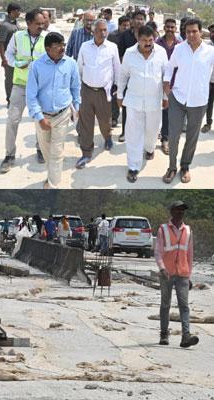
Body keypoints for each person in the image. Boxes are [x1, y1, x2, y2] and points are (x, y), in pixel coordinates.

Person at [162, 19, 214, 184]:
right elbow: (170, 67)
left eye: (194, 31)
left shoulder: (210, 52)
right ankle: (171, 167)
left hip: (199, 101)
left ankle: (185, 166)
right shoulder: (179, 49)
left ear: (201, 32)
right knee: (174, 135)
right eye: (188, 32)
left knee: (192, 137)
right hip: (178, 98)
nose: (191, 35)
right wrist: (166, 84)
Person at [26, 32, 81, 188]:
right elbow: (31, 95)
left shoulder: (71, 63)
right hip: (43, 116)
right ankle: (52, 176)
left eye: (63, 45)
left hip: (62, 114)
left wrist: (77, 108)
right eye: (58, 46)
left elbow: (76, 87)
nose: (62, 48)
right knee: (46, 151)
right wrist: (39, 118)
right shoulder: (36, 66)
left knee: (57, 153)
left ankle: (52, 185)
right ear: (48, 48)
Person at [118, 25, 168, 183]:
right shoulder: (129, 53)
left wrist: (166, 96)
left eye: (150, 40)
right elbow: (123, 75)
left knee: (152, 130)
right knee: (133, 133)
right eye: (144, 41)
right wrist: (120, 94)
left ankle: (150, 148)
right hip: (134, 100)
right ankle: (133, 166)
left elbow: (166, 76)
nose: (148, 44)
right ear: (138, 40)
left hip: (154, 100)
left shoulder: (161, 52)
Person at [0, 9, 47, 173]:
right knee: (12, 120)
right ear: (28, 23)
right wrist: (18, 64)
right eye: (38, 24)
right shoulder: (17, 37)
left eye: (43, 23)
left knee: (40, 121)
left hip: (40, 88)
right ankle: (9, 155)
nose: (41, 26)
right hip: (20, 85)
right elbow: (8, 56)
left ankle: (41, 150)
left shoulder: (46, 38)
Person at [75, 19, 120, 169]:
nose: (103, 33)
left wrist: (117, 88)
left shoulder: (112, 47)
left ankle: (107, 137)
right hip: (86, 90)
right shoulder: (85, 46)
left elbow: (117, 69)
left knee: (104, 121)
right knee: (86, 123)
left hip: (104, 92)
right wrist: (80, 87)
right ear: (93, 32)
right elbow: (79, 67)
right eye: (100, 30)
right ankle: (86, 153)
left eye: (105, 30)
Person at [155, 200, 198, 348]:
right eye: (178, 210)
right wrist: (161, 268)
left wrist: (189, 275)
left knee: (184, 306)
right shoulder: (163, 229)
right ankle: (164, 334)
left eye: (182, 210)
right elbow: (158, 252)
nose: (180, 212)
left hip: (183, 274)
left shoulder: (188, 230)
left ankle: (186, 336)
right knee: (165, 305)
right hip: (166, 273)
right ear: (172, 211)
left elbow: (189, 255)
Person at [117, 10, 147, 143]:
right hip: (129, 74)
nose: (139, 21)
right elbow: (121, 54)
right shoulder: (124, 35)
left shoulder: (149, 33)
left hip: (144, 75)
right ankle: (124, 131)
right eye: (137, 19)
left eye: (142, 19)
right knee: (127, 104)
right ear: (132, 21)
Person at [156, 18, 182, 154]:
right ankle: (154, 134)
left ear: (176, 28)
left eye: (173, 27)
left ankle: (165, 139)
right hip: (157, 81)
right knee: (155, 109)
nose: (170, 29)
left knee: (168, 111)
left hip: (174, 83)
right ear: (164, 28)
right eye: (168, 27)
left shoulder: (181, 45)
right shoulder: (157, 43)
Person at [108, 16, 131, 128]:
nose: (126, 27)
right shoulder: (112, 36)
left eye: (128, 25)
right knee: (115, 93)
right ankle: (114, 117)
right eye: (124, 26)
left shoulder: (131, 36)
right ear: (119, 25)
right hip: (115, 69)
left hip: (128, 70)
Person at [0, 3, 22, 105]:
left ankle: (15, 99)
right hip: (8, 57)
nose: (19, 13)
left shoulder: (16, 23)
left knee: (17, 79)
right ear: (12, 12)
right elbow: (0, 43)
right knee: (9, 79)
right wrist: (4, 59)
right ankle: (9, 100)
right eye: (18, 11)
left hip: (17, 56)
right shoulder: (4, 25)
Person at [201, 23, 214, 134]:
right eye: (212, 32)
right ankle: (208, 123)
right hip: (209, 81)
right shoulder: (207, 47)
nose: (213, 34)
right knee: (208, 103)